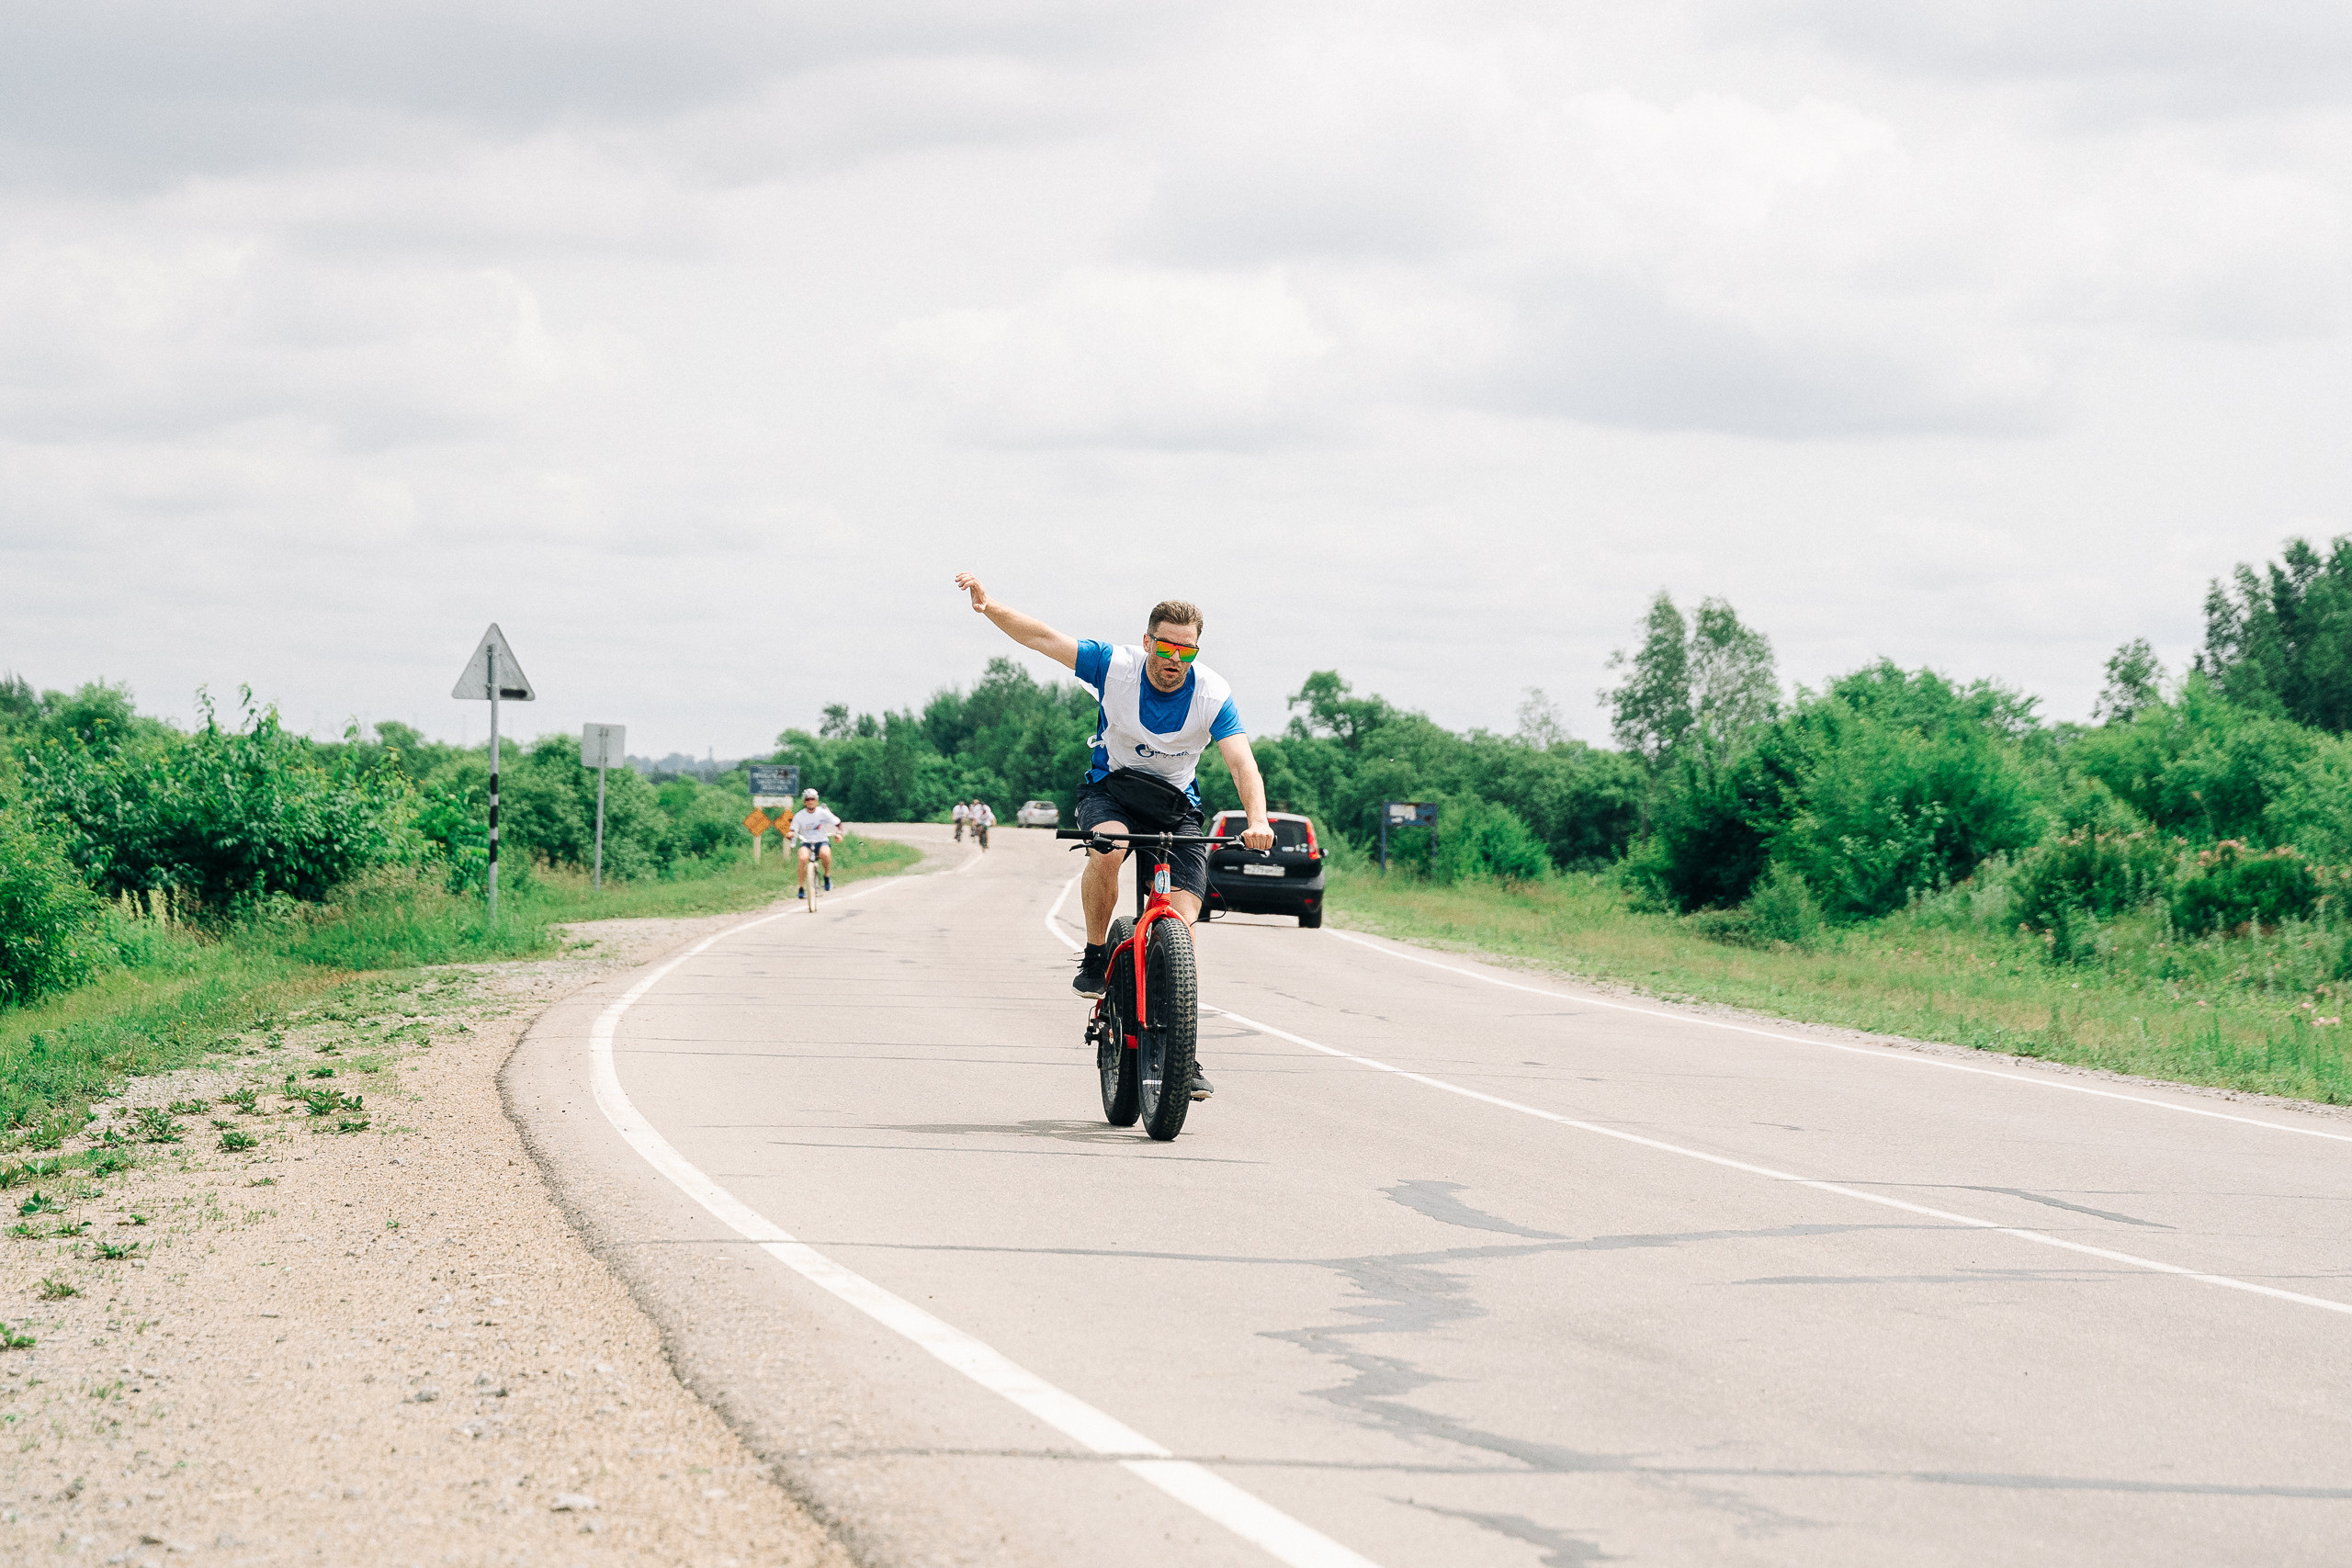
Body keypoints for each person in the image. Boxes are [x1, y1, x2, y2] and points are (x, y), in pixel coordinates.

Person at [953, 573, 1275, 1101]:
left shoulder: (1213, 694)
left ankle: (1179, 1047)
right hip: (1111, 791)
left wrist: (1256, 819)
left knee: (1182, 920)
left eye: (1186, 652)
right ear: (1148, 641)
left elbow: (1241, 761)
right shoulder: (1116, 666)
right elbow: (1043, 638)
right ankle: (1098, 954)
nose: (1175, 660)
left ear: (1196, 652)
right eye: (1166, 647)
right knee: (1111, 844)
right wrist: (990, 608)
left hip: (1175, 806)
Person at [791, 786, 843, 897]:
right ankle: (801, 888)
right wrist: (790, 834)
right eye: (807, 799)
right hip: (806, 842)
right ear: (804, 802)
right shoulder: (799, 815)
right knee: (802, 858)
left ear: (817, 800)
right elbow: (793, 830)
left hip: (821, 841)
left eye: (812, 799)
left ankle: (827, 876)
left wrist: (839, 834)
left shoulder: (823, 813)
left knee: (825, 854)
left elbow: (838, 823)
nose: (810, 801)